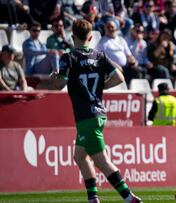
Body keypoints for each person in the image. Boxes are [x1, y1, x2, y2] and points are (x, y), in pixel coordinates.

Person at [51, 19, 142, 203]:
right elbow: (119, 77)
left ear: (72, 36)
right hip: (98, 112)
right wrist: (103, 87)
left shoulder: (69, 57)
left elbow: (59, 84)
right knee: (79, 156)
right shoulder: (99, 56)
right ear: (91, 37)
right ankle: (93, 197)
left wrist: (55, 77)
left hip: (86, 116)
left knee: (101, 161)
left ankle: (129, 198)